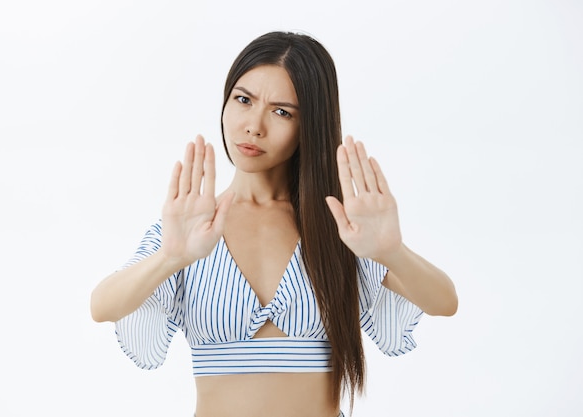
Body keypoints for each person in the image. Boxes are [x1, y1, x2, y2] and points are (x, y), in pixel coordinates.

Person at [90, 31, 458, 417]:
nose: (254, 126)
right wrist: (169, 258)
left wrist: (391, 252)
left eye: (282, 112)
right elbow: (102, 307)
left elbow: (444, 301)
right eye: (243, 100)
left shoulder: (339, 228)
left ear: (309, 125)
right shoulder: (192, 227)